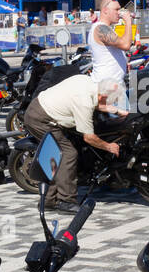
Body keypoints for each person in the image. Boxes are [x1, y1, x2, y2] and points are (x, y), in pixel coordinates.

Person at [22, 75, 126, 211]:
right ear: (103, 96)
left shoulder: (88, 82)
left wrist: (117, 111)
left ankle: (48, 200)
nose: (113, 103)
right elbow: (89, 137)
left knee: (62, 150)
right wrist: (109, 146)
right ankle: (65, 201)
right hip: (40, 119)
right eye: (113, 101)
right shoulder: (84, 102)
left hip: (43, 107)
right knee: (67, 153)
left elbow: (99, 102)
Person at [89, 0, 137, 92]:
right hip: (107, 89)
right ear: (105, 10)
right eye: (116, 9)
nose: (119, 13)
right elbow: (126, 45)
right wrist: (128, 21)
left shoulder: (105, 28)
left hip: (113, 87)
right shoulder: (100, 29)